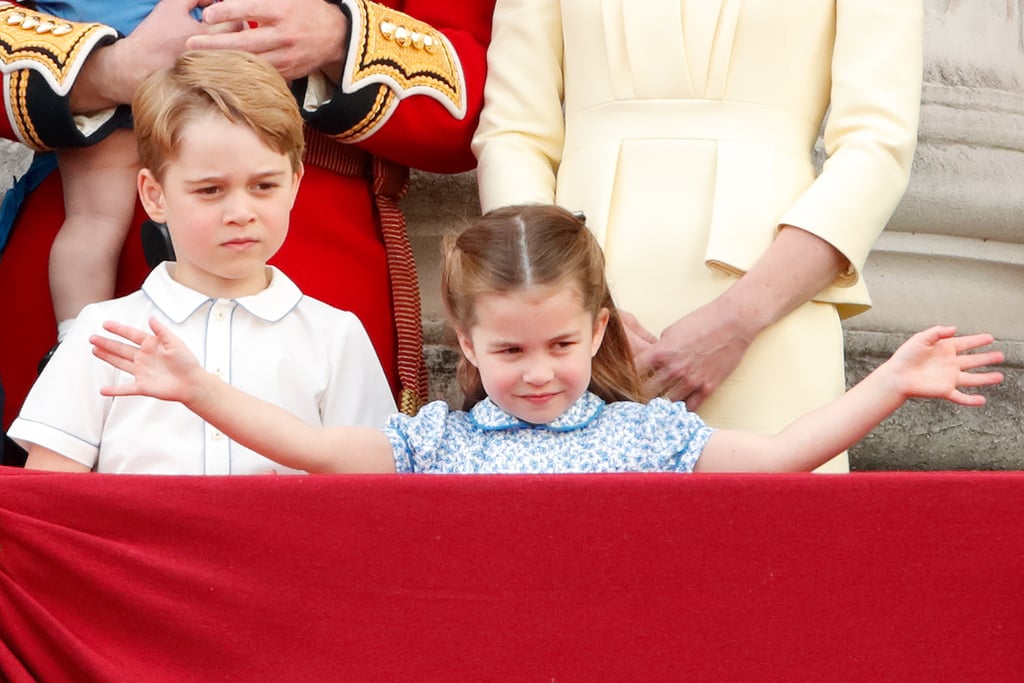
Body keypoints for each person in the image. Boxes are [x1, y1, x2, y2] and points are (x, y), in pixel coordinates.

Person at [87, 205, 1003, 475]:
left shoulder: (646, 435)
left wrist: (889, 380)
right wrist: (197, 386)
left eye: (562, 344)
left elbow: (775, 457)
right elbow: (316, 447)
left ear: (600, 327)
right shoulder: (434, 445)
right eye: (513, 351)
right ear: (467, 343)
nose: (539, 372)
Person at [0, 0, 494, 435]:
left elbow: (474, 98)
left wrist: (339, 38)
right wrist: (106, 70)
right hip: (89, 239)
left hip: (312, 247)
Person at [471, 1, 924, 472]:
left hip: (773, 308)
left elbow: (878, 146)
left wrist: (739, 320)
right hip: (574, 321)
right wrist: (565, 309)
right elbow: (512, 135)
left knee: (776, 535)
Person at [8, 49, 396, 474]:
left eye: (264, 185)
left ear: (294, 185)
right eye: (210, 190)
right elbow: (52, 496)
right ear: (154, 195)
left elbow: (372, 487)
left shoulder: (335, 336)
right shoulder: (102, 333)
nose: (240, 212)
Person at [26, 2, 208, 359]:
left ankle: (74, 343)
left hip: (92, 63)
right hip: (174, 73)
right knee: (204, 193)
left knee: (92, 221)